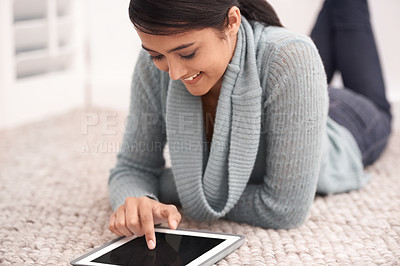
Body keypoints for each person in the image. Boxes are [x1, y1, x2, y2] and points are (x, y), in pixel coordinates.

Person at [107, 0, 392, 250]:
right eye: (157, 56)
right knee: (297, 57)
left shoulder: (291, 57)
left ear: (232, 21)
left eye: (188, 53)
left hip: (348, 123)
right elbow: (133, 168)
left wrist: (171, 188)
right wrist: (137, 199)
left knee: (338, 19)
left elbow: (284, 210)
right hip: (294, 93)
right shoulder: (157, 65)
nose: (175, 73)